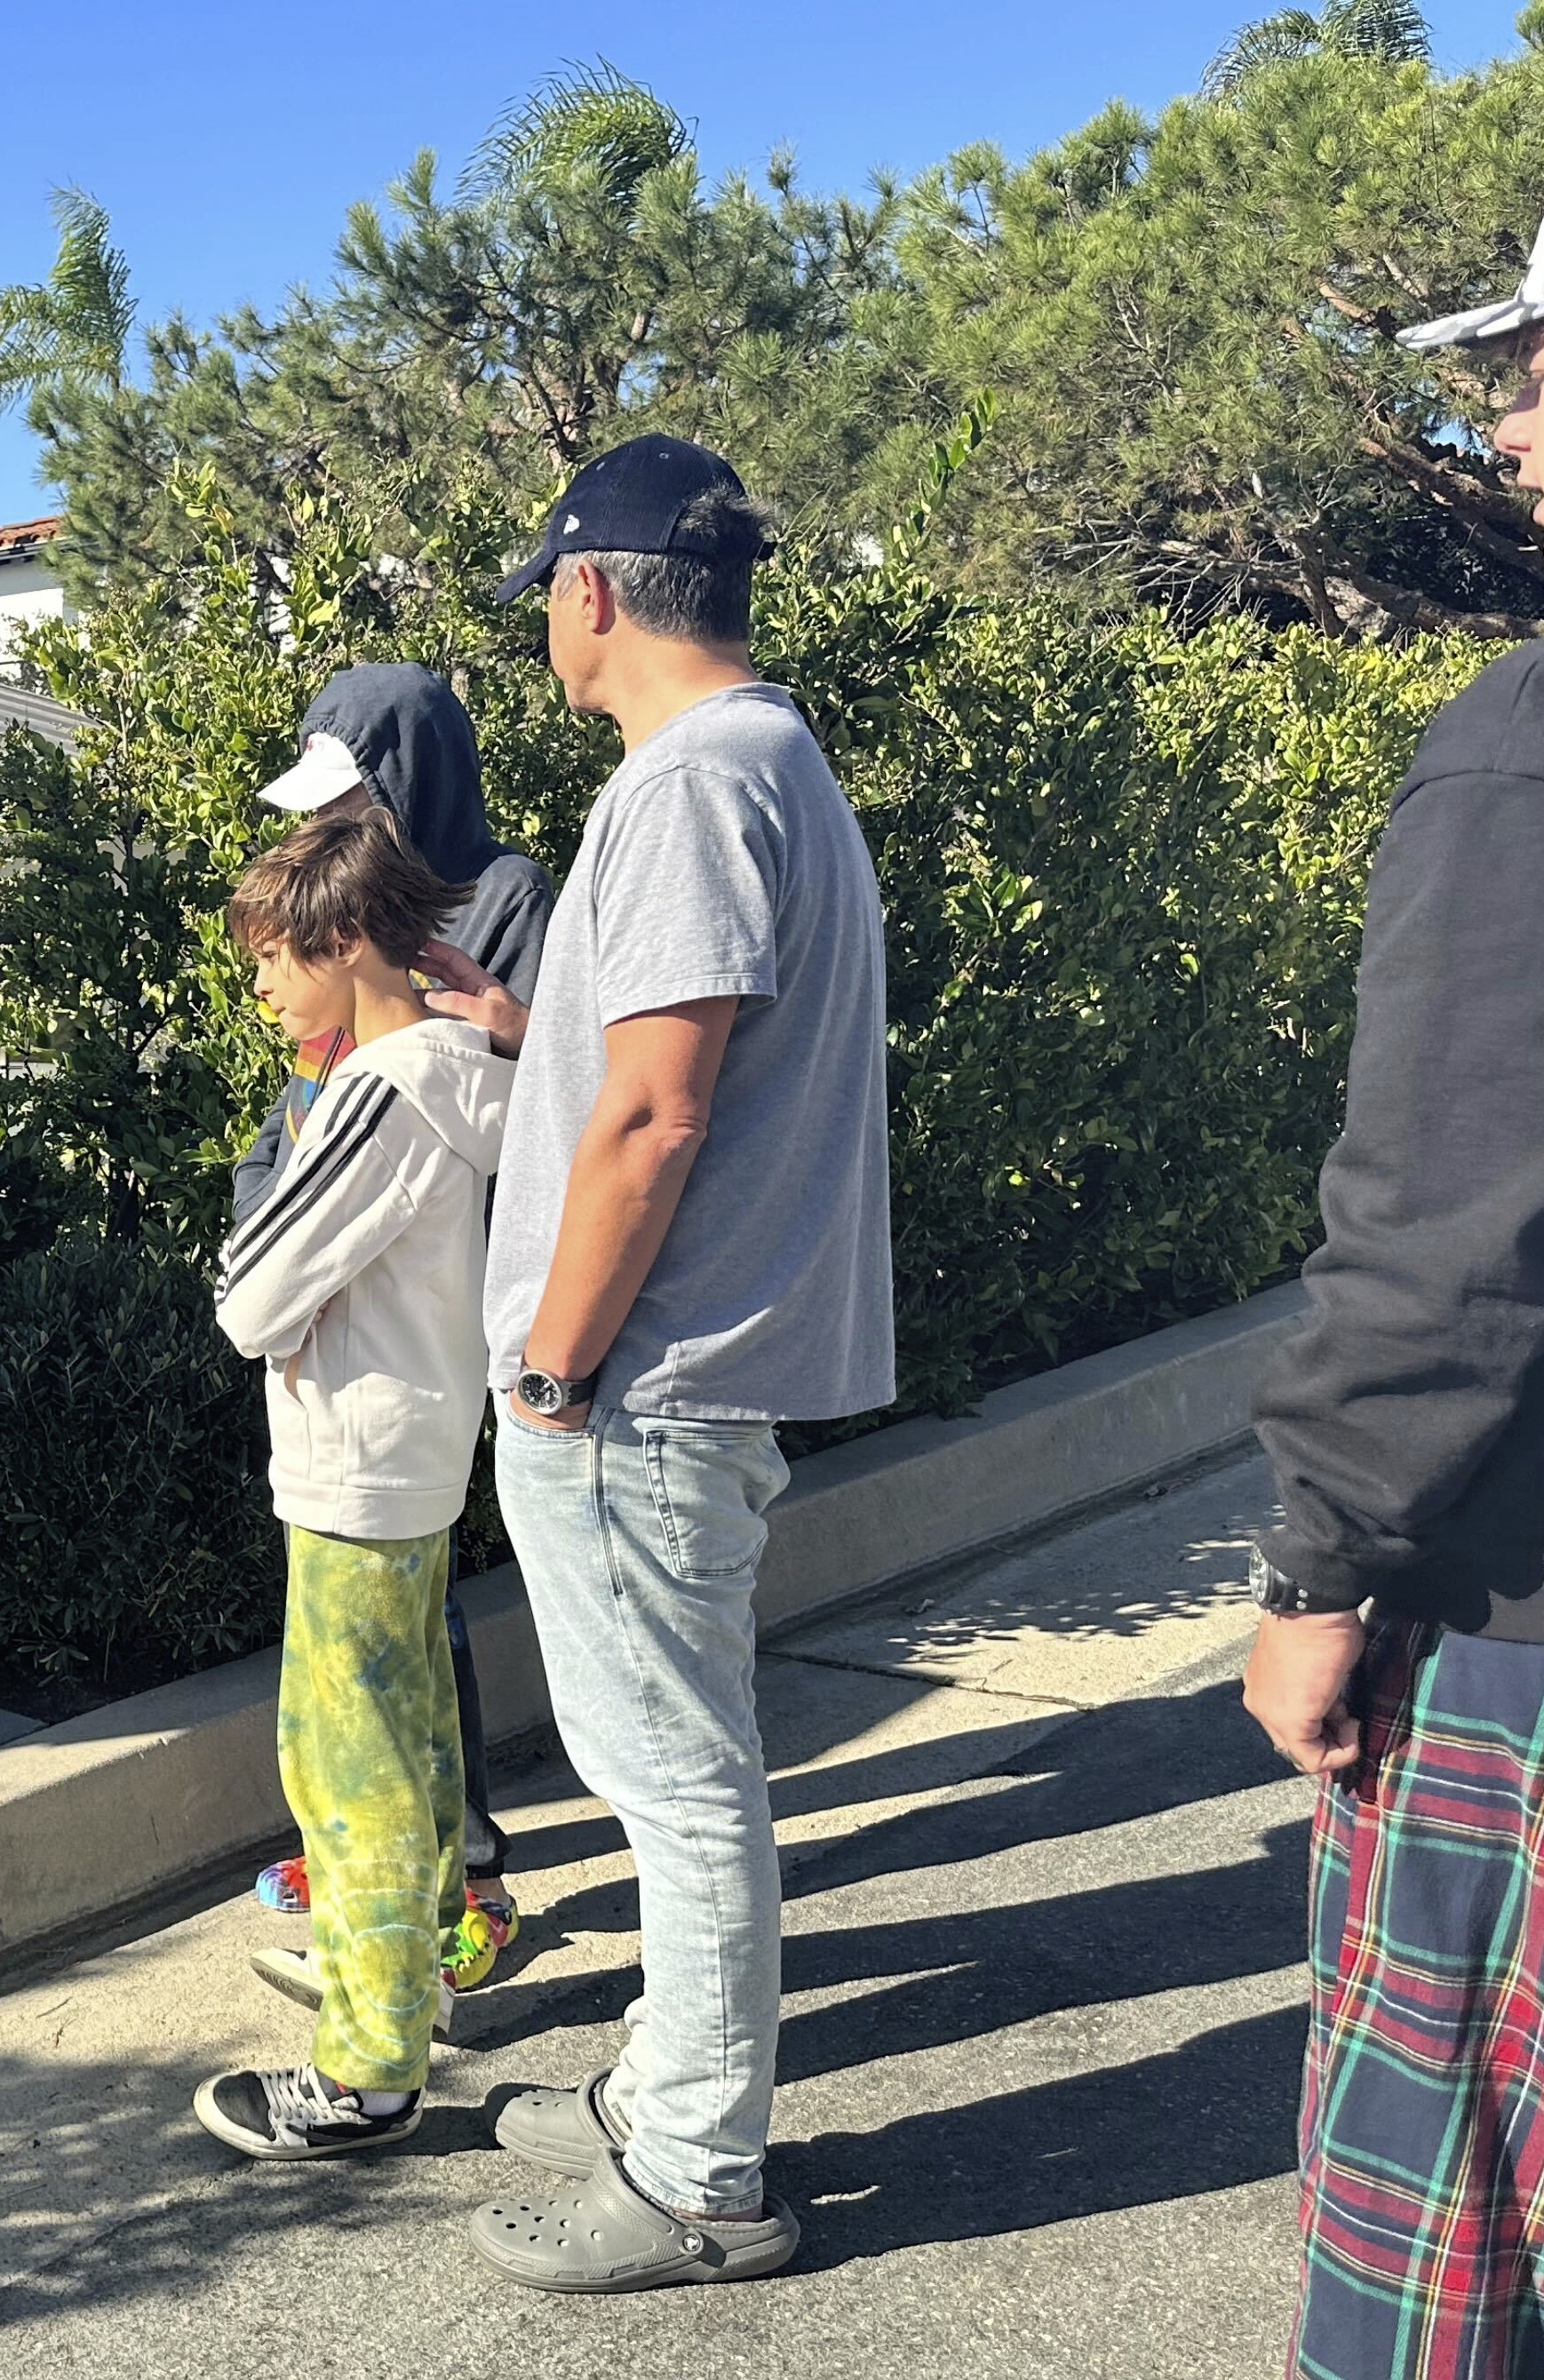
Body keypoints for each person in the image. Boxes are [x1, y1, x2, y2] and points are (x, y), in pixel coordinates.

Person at [422, 434, 892, 2291]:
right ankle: (663, 2093)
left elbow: (660, 1117)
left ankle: (697, 2168)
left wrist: (548, 1369)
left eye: (546, 593)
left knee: (677, 1786)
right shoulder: (768, 762)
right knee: (681, 1769)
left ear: (591, 592)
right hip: (693, 1374)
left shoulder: (691, 783)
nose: (546, 625)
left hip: (643, 1386)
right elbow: (663, 1055)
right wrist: (534, 1023)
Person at [1240, 219, 1544, 2380]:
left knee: (1440, 2264)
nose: (1504, 416)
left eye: (1538, 361)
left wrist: (1321, 1552)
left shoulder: (1519, 753)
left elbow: (1451, 1226)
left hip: (1515, 1630)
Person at [192, 800, 514, 2160]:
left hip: (354, 1467)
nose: (261, 983)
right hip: (416, 1450)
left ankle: (366, 2067)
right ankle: (413, 1976)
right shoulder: (467, 1070)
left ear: (343, 943)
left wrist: (240, 1282)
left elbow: (254, 1293)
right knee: (416, 1742)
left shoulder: (382, 1094)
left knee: (348, 1766)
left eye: (275, 955)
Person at [235, 665, 550, 1996]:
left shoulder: (501, 905)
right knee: (390, 1679)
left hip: (404, 1341)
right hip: (375, 1340)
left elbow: (504, 1098)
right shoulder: (365, 990)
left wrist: (282, 1224)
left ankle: (406, 1956)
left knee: (374, 1700)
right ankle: (404, 1883)